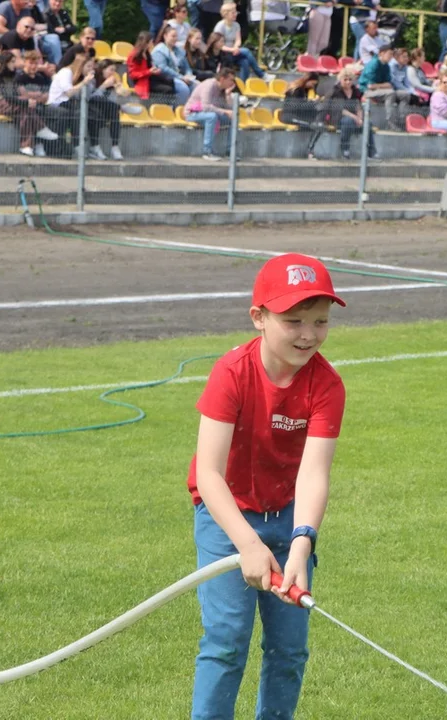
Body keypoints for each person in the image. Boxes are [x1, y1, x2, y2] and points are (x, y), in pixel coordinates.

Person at [187, 251, 346, 720]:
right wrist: (247, 543)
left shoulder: (327, 386)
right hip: (227, 518)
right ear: (259, 317)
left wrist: (302, 544)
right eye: (294, 320)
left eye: (320, 322)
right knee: (226, 642)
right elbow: (210, 474)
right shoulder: (231, 373)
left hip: (290, 517)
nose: (308, 334)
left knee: (290, 651)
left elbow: (314, 473)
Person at [184, 66, 236, 161]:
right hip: (193, 114)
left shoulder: (222, 90)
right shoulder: (209, 85)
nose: (232, 83)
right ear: (222, 79)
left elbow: (227, 108)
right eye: (231, 80)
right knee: (212, 116)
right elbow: (206, 107)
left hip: (208, 114)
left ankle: (229, 152)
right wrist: (225, 111)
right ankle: (207, 152)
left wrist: (228, 95)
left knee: (231, 119)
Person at [324, 68, 374, 160]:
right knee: (348, 121)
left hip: (353, 118)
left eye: (350, 80)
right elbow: (340, 109)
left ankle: (371, 152)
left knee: (368, 124)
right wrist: (355, 118)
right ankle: (345, 150)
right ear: (340, 80)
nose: (348, 82)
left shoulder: (355, 91)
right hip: (337, 118)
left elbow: (358, 106)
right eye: (345, 79)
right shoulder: (336, 91)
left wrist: (360, 118)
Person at [357, 44, 407, 132]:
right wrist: (383, 85)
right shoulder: (373, 64)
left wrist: (383, 86)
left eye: (392, 55)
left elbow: (389, 83)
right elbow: (370, 86)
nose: (391, 57)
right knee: (390, 93)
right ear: (381, 54)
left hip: (380, 90)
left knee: (405, 95)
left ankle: (401, 121)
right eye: (389, 54)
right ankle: (390, 123)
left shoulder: (386, 66)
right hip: (367, 91)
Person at [213, 2, 266, 81]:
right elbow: (218, 45)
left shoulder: (236, 25)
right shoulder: (220, 26)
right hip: (224, 53)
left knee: (244, 62)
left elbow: (238, 40)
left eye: (236, 12)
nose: (236, 14)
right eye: (233, 13)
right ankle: (261, 75)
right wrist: (232, 49)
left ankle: (243, 85)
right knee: (246, 51)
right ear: (226, 14)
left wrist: (236, 47)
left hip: (234, 51)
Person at [152, 23, 198, 103]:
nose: (175, 39)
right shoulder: (159, 50)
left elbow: (186, 66)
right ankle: (178, 110)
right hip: (166, 78)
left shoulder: (179, 50)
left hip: (180, 77)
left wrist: (189, 75)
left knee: (197, 86)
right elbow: (163, 68)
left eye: (176, 36)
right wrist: (181, 77)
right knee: (183, 89)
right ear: (165, 36)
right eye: (173, 36)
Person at [281, 72, 323, 159]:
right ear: (307, 80)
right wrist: (313, 102)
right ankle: (310, 151)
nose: (312, 86)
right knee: (315, 126)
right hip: (290, 116)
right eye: (312, 83)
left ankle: (310, 149)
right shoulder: (296, 90)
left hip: (298, 115)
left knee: (319, 125)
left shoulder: (304, 90)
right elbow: (296, 106)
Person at [127, 30, 172, 99]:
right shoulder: (134, 55)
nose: (152, 44)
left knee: (169, 80)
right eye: (151, 42)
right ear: (145, 43)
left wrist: (155, 70)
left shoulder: (147, 53)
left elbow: (149, 67)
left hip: (149, 76)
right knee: (167, 89)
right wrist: (149, 71)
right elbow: (133, 74)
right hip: (141, 80)